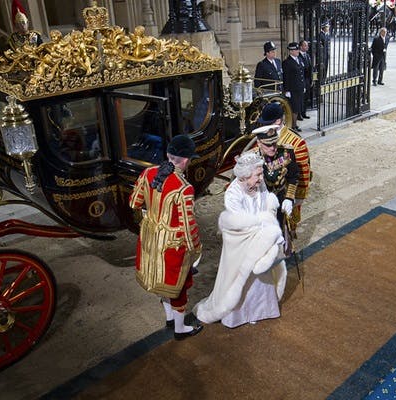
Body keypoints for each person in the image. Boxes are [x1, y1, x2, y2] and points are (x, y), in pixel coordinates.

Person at [193, 151, 287, 328]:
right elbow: (238, 223)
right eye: (258, 174)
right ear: (245, 175)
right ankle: (239, 315)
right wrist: (265, 233)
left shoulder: (260, 185)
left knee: (261, 277)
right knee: (241, 279)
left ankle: (262, 310)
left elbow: (267, 207)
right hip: (241, 244)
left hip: (261, 240)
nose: (261, 178)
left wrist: (270, 229)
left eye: (261, 173)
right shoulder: (233, 193)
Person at [129, 134, 204, 341]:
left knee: (160, 279)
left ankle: (170, 318)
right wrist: (196, 249)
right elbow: (189, 229)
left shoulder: (147, 173)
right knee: (178, 286)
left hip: (149, 237)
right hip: (173, 244)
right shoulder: (184, 188)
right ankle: (180, 329)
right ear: (187, 160)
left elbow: (134, 203)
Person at [257, 103, 311, 233]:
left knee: (285, 231)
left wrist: (297, 200)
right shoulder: (264, 134)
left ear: (278, 121)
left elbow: (302, 173)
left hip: (285, 194)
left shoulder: (296, 142)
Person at [282, 42, 306, 131]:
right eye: (296, 50)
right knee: (294, 108)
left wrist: (303, 86)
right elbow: (286, 77)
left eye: (297, 50)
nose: (297, 51)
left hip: (299, 88)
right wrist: (287, 90)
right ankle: (293, 126)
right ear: (291, 51)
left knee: (298, 107)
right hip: (292, 89)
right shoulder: (287, 62)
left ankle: (294, 125)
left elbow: (302, 74)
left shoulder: (299, 59)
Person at [299, 40, 313, 119]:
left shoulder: (307, 55)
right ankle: (299, 114)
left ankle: (304, 112)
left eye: (307, 45)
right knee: (301, 98)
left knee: (306, 97)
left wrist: (311, 80)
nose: (307, 47)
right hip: (301, 79)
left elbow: (310, 68)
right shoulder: (298, 56)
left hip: (307, 79)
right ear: (301, 47)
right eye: (305, 45)